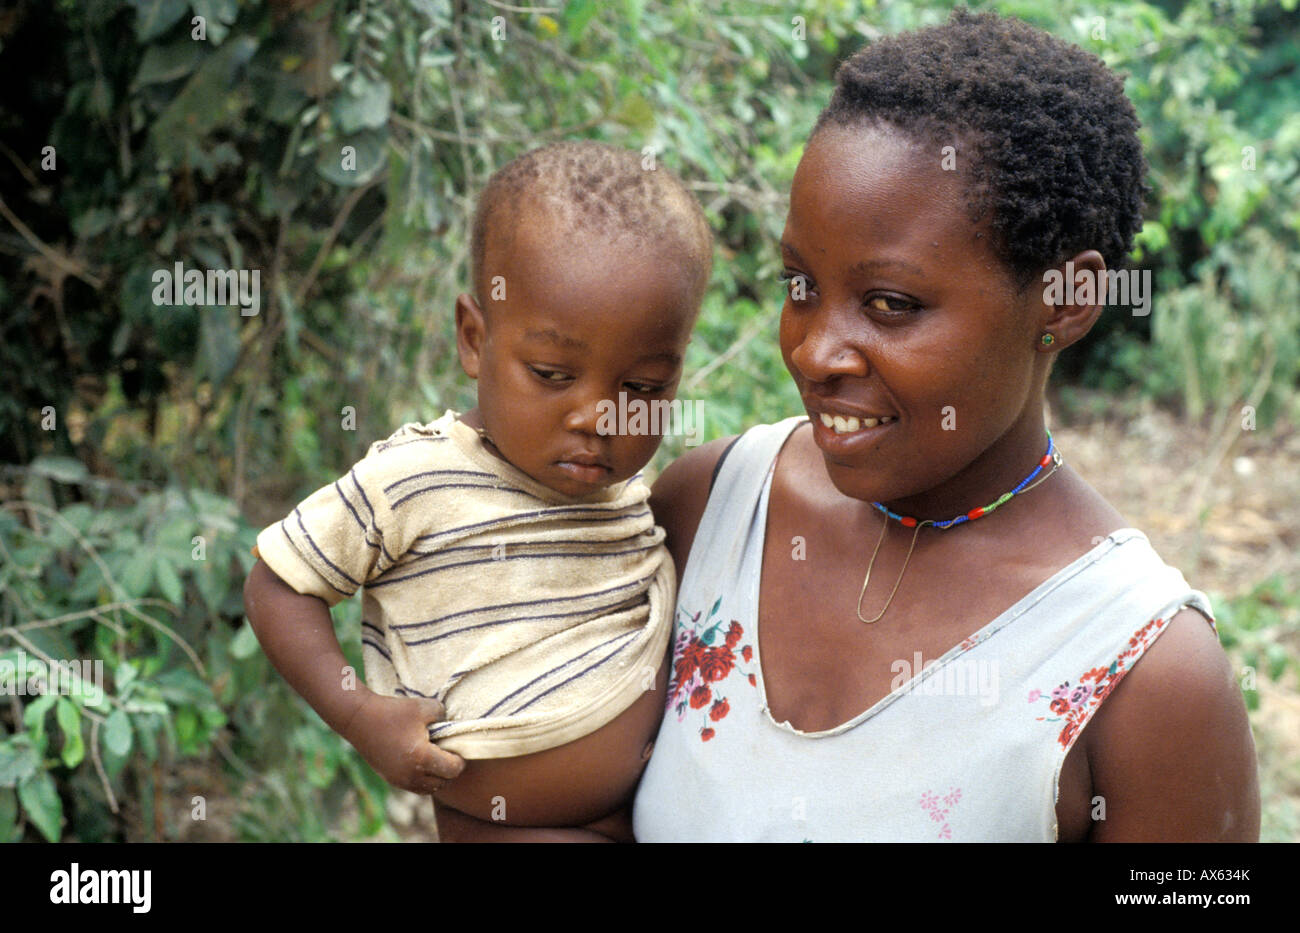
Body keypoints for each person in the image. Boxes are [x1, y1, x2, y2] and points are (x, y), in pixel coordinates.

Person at [632, 10, 1260, 841]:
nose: (816, 350)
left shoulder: (1147, 674)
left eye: (891, 304)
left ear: (1068, 301)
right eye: (799, 284)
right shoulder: (712, 509)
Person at [243, 141, 713, 841]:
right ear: (474, 336)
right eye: (553, 374)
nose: (598, 416)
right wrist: (359, 715)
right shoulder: (416, 477)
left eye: (643, 387)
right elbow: (279, 586)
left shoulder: (631, 497)